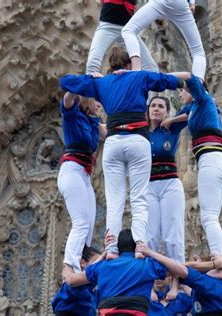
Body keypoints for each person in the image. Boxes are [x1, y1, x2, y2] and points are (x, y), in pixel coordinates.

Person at [60, 47, 184, 258]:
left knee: (115, 199)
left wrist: (92, 77)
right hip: (137, 140)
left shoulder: (101, 83)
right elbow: (167, 81)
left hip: (113, 142)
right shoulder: (138, 76)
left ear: (111, 64)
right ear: (128, 64)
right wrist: (186, 81)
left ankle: (110, 248)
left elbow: (66, 81)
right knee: (139, 197)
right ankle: (140, 245)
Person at [168, 72, 222, 263]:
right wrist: (171, 120)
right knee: (213, 217)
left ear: (192, 91)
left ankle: (219, 257)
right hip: (219, 162)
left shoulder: (203, 99)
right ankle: (220, 254)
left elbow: (193, 81)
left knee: (208, 217)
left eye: (182, 90)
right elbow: (187, 115)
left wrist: (172, 76)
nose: (180, 95)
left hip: (210, 161)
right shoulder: (199, 107)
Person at [62, 229, 187, 314]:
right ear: (136, 246)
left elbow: (71, 280)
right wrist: (149, 252)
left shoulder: (103, 266)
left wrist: (67, 264)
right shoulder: (146, 265)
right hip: (136, 312)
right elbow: (181, 270)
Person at [58, 93, 107, 273]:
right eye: (97, 99)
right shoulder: (73, 116)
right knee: (81, 223)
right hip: (72, 170)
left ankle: (82, 262)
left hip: (84, 175)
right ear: (87, 99)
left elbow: (111, 133)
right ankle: (70, 267)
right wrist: (83, 84)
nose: (100, 104)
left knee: (88, 226)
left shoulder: (93, 122)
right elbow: (67, 99)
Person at [147, 95, 188, 299]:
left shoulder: (171, 128)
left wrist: (172, 120)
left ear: (166, 111)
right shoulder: (141, 132)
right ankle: (150, 284)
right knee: (151, 235)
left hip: (170, 184)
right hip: (149, 186)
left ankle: (176, 283)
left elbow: (193, 110)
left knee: (173, 234)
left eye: (161, 106)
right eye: (153, 105)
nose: (156, 109)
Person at [137, 244, 222, 315]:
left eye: (197, 260)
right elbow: (187, 286)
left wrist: (150, 253)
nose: (195, 262)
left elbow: (183, 271)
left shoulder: (212, 284)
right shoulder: (203, 287)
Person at [121, 0, 206, 79]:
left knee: (128, 30)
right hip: (180, 4)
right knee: (198, 51)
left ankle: (136, 69)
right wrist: (192, 3)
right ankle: (199, 86)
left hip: (160, 2)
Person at [86, 0, 158, 74]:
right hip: (107, 27)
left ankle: (141, 83)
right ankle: (91, 83)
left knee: (151, 68)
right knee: (92, 64)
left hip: (129, 30)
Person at [51, 246, 102, 316]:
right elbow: (75, 286)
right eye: (97, 264)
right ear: (82, 263)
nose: (98, 268)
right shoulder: (70, 286)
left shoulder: (93, 292)